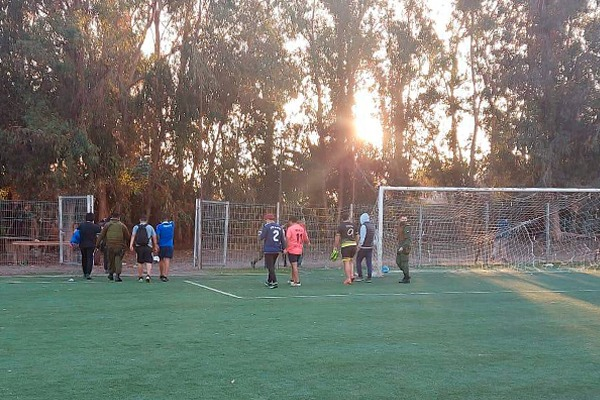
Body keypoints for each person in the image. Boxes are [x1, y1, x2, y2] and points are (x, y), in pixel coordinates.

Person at [96, 212, 130, 282]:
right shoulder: (122, 225)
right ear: (119, 217)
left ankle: (110, 273)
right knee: (118, 260)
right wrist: (129, 245)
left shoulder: (107, 225)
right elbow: (127, 236)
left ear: (112, 217)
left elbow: (101, 235)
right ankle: (117, 275)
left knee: (110, 260)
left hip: (109, 245)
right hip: (119, 246)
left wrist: (97, 244)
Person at [130, 215, 159, 283]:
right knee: (148, 261)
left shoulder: (136, 227)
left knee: (140, 262)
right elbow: (154, 237)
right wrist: (155, 245)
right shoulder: (150, 227)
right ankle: (148, 275)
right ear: (146, 220)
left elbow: (133, 236)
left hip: (139, 246)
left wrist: (131, 245)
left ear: (140, 220)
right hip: (148, 246)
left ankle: (140, 277)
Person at [259, 213, 285, 288]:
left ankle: (274, 281)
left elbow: (262, 237)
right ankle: (269, 280)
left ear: (267, 219)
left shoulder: (267, 227)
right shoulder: (279, 227)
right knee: (272, 265)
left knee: (270, 266)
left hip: (269, 249)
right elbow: (282, 239)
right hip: (276, 249)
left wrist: (260, 234)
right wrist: (284, 248)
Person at [284, 216, 310, 287]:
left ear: (291, 221)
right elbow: (305, 238)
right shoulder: (301, 228)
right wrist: (308, 243)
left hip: (292, 249)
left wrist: (286, 248)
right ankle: (292, 279)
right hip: (300, 249)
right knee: (293, 265)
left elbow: (287, 239)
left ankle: (297, 281)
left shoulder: (290, 229)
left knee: (294, 266)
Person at [333, 214, 358, 285]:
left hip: (345, 246)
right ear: (349, 218)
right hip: (353, 245)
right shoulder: (354, 225)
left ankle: (348, 278)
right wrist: (356, 243)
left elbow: (337, 237)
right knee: (351, 260)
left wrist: (335, 246)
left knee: (346, 262)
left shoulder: (341, 226)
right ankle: (352, 275)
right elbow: (357, 236)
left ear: (342, 219)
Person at [77, 212, 101, 280]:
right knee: (90, 258)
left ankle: (84, 272)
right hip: (91, 244)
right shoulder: (95, 227)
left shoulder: (81, 225)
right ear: (93, 219)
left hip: (82, 244)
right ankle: (88, 273)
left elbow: (76, 233)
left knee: (84, 258)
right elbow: (100, 233)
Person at [356, 212, 376, 283]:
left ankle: (360, 276)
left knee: (358, 261)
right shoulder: (372, 226)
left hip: (363, 247)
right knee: (369, 262)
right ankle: (369, 277)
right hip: (370, 247)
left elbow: (363, 237)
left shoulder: (364, 226)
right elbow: (374, 237)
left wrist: (359, 245)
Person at [156, 216, 175, 282]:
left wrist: (157, 244)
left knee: (161, 259)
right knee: (167, 260)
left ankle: (161, 274)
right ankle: (165, 275)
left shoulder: (159, 226)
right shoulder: (171, 225)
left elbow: (158, 236)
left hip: (161, 245)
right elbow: (172, 222)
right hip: (169, 245)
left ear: (161, 220)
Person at [396, 215, 411, 283]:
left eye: (405, 219)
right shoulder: (399, 226)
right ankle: (406, 274)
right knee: (398, 261)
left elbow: (408, 239)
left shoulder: (407, 227)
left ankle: (406, 277)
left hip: (404, 247)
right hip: (400, 245)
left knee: (404, 263)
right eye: (402, 219)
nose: (404, 220)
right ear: (400, 219)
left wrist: (403, 247)